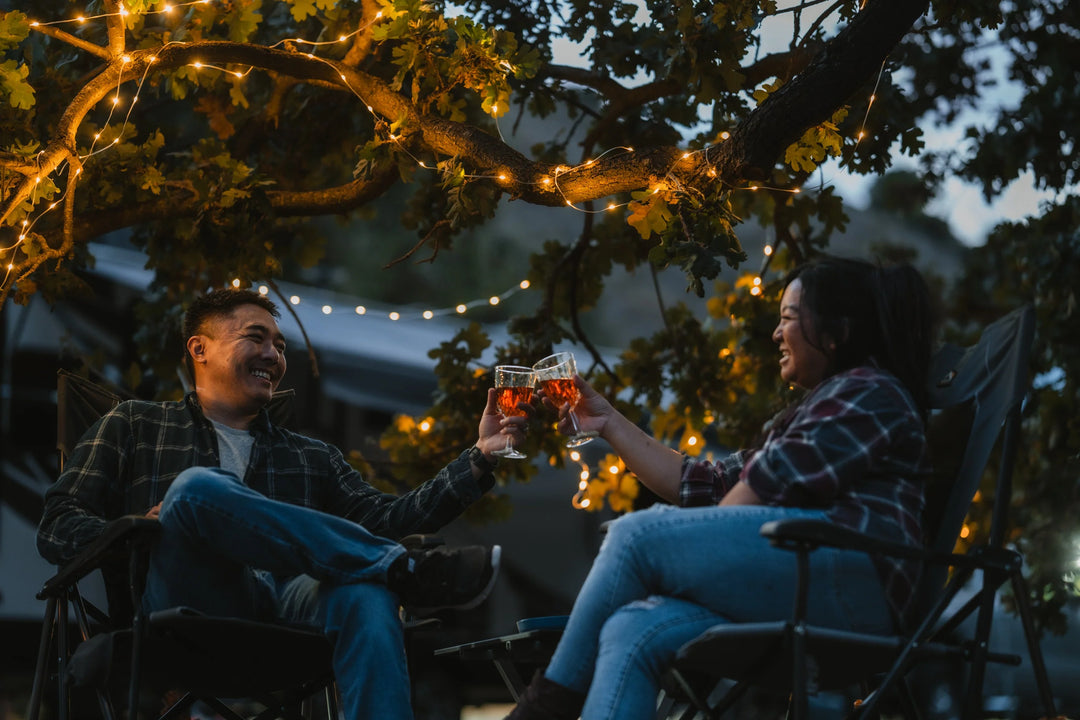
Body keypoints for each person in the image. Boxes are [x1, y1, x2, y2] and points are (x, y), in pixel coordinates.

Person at [37, 287, 523, 720]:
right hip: (185, 612)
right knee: (193, 488)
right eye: (256, 338)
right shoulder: (135, 425)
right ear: (199, 348)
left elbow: (387, 520)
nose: (273, 354)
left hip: (286, 614)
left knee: (366, 594)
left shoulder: (310, 456)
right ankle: (403, 570)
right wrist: (133, 528)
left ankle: (396, 572)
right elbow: (57, 524)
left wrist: (479, 458)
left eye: (280, 346)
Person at [506, 255, 935, 720]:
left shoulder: (868, 391)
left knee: (633, 537)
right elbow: (707, 486)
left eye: (789, 318)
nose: (776, 334)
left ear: (837, 332)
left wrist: (684, 556)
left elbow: (757, 495)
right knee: (631, 628)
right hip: (804, 583)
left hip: (852, 592)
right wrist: (606, 421)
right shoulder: (818, 408)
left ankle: (543, 707)